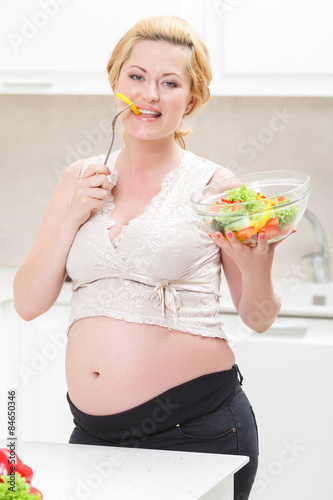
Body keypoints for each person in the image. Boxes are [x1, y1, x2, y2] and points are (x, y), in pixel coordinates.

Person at [13, 15, 283, 500]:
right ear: (116, 81)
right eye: (136, 76)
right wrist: (74, 213)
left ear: (192, 97)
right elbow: (29, 302)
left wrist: (259, 264)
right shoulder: (79, 178)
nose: (150, 94)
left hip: (196, 433)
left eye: (170, 82)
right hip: (92, 438)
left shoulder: (218, 188)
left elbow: (258, 318)